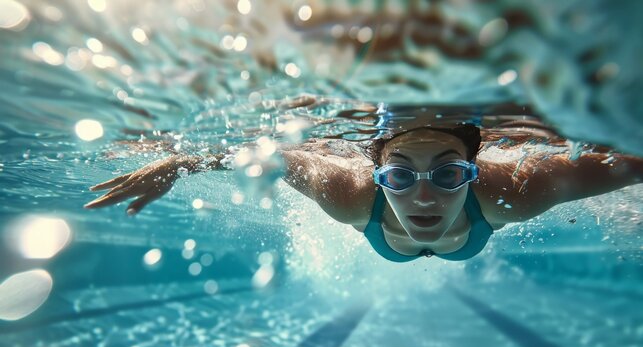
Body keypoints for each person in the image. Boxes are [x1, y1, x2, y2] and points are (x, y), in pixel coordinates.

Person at [84, 100, 643, 262]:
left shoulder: (514, 190)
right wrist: (177, 161)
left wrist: (180, 162)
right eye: (399, 176)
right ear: (376, 173)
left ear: (475, 168)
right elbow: (265, 153)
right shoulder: (350, 194)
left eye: (450, 173)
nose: (424, 195)